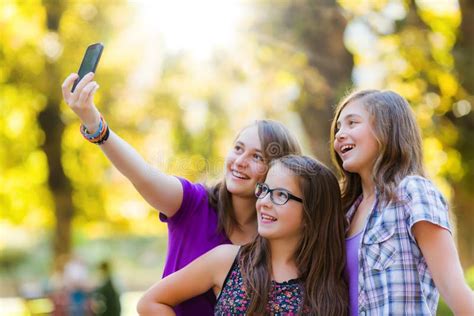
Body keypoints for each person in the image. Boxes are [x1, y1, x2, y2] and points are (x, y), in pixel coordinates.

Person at [61, 72, 302, 315]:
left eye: (256, 156)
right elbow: (141, 173)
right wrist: (96, 126)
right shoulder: (193, 203)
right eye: (238, 148)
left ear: (278, 171)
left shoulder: (277, 234)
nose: (240, 161)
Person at [136, 155, 348, 315]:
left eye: (280, 195)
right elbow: (150, 302)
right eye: (264, 190)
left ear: (312, 212)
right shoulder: (229, 260)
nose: (264, 201)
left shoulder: (330, 289)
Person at [330, 89, 474, 315]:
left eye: (352, 123)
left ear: (385, 129)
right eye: (338, 127)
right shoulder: (346, 213)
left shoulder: (412, 193)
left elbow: (454, 289)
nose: (339, 134)